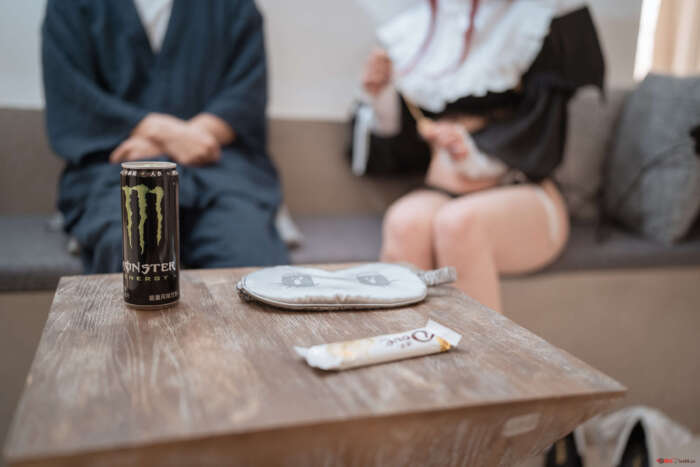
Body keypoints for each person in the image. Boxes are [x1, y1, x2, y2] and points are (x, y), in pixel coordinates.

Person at [356, 0, 604, 313]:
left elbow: (543, 136)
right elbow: (403, 150)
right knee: (404, 222)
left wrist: (471, 149)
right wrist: (382, 93)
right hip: (442, 190)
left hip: (520, 189)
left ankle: (477, 347)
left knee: (460, 224)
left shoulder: (535, 25)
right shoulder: (422, 29)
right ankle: (404, 342)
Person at [42, 0, 289, 273]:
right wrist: (165, 133)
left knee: (251, 257)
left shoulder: (233, 6)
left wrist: (191, 139)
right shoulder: (72, 6)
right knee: (132, 247)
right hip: (117, 170)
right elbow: (73, 96)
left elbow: (246, 95)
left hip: (219, 170)